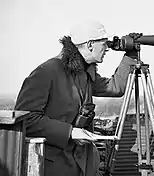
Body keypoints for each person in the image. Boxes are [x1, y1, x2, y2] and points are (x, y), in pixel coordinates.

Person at [14, 20, 138, 176]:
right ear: (90, 44)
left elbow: (115, 88)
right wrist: (70, 132)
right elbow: (26, 120)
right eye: (104, 43)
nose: (107, 48)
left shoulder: (84, 73)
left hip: (82, 165)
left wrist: (130, 56)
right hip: (55, 166)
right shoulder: (46, 72)